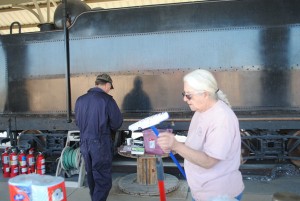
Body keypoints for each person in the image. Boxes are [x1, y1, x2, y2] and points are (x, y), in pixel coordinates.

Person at [157, 69, 244, 201]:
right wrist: (173, 145)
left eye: (188, 95)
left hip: (219, 195)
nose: (184, 99)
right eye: (184, 94)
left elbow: (209, 161)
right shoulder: (200, 111)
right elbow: (194, 146)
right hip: (201, 193)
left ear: (205, 94)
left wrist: (176, 145)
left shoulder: (222, 119)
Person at [74, 73, 123, 201]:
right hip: (100, 143)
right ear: (107, 85)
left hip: (84, 143)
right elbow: (117, 123)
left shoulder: (80, 100)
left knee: (91, 176)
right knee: (103, 179)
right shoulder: (107, 100)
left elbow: (77, 122)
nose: (109, 90)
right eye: (110, 87)